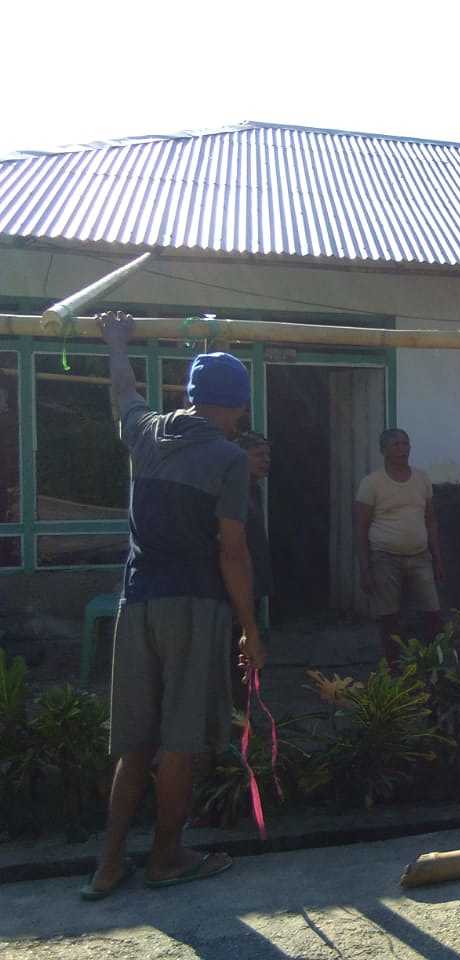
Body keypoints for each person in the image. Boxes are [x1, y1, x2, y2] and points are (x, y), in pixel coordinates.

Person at [84, 312, 265, 899]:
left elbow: (125, 391)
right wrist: (249, 627)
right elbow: (232, 550)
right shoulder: (230, 459)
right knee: (180, 739)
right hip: (194, 607)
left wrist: (117, 341)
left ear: (190, 396)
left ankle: (108, 865)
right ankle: (166, 857)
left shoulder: (147, 432)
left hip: (135, 604)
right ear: (235, 406)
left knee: (135, 741)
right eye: (241, 410)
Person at [354, 428, 445, 670]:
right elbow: (361, 528)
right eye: (395, 445)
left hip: (420, 556)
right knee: (389, 617)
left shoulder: (422, 479)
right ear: (383, 450)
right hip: (385, 557)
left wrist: (437, 559)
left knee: (433, 613)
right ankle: (393, 668)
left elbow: (431, 520)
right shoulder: (371, 483)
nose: (402, 449)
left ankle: (434, 665)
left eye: (405, 444)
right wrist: (365, 568)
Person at [230, 430, 272, 704]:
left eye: (268, 455)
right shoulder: (232, 491)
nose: (266, 461)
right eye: (259, 455)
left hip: (252, 583)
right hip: (236, 587)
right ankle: (234, 722)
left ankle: (241, 714)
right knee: (235, 652)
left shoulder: (253, 489)